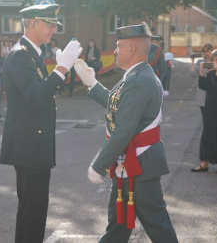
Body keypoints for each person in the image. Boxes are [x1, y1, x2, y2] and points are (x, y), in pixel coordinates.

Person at [74, 23, 178, 243]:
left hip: (140, 165)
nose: (115, 51)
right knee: (118, 227)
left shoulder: (138, 81)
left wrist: (99, 164)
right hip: (132, 164)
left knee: (158, 227)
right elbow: (116, 104)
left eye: (119, 46)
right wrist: (92, 83)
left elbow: (123, 130)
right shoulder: (136, 76)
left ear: (131, 49)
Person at [0, 4, 82, 243]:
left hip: (33, 143)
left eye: (54, 25)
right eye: (48, 24)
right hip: (28, 145)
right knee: (32, 211)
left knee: (34, 210)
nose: (53, 30)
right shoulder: (20, 55)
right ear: (32, 23)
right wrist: (61, 70)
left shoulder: (30, 52)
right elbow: (35, 96)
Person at [189, 43, 213, 171]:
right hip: (203, 97)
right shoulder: (200, 62)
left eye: (208, 51)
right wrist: (192, 61)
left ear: (212, 51)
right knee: (206, 125)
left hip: (215, 97)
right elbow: (193, 74)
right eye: (204, 51)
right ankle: (205, 160)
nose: (205, 53)